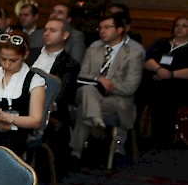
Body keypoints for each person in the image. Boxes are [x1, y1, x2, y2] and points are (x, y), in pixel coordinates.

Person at [69, 13, 143, 160]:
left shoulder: (133, 54)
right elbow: (82, 75)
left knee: (84, 106)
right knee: (87, 90)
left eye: (107, 27)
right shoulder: (92, 51)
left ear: (119, 30)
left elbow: (130, 86)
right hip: (90, 93)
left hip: (115, 99)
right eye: (100, 28)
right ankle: (96, 122)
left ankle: (76, 152)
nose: (102, 31)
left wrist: (109, 86)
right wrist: (99, 79)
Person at [142, 16, 188, 148]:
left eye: (184, 26)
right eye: (177, 25)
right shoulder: (162, 43)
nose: (179, 28)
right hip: (156, 78)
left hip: (179, 83)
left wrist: (171, 74)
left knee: (167, 95)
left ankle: (165, 139)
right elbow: (147, 60)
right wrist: (159, 69)